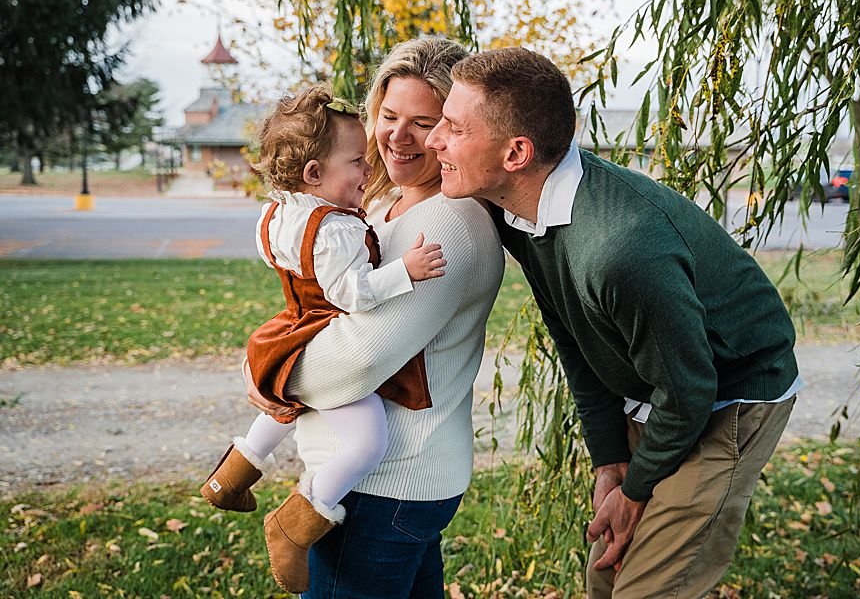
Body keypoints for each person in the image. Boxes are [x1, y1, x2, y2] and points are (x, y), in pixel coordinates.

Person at [424, 47, 803, 598]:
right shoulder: (519, 211)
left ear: (516, 153)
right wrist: (611, 461)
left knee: (647, 588)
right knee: (606, 575)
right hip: (658, 386)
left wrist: (639, 488)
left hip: (732, 396)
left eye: (453, 128)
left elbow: (690, 389)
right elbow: (576, 339)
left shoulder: (617, 249)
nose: (435, 140)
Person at [245, 37, 504, 598]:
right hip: (384, 483)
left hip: (385, 489)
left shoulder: (449, 225)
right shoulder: (382, 206)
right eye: (388, 115)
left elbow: (356, 362)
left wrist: (264, 371)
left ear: (454, 129)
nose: (397, 136)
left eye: (424, 121)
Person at [201, 85, 447, 593]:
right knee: (367, 439)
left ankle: (230, 477)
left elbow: (288, 266)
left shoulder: (276, 214)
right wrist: (407, 269)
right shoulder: (336, 229)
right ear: (315, 174)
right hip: (324, 324)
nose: (367, 169)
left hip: (290, 324)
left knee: (281, 399)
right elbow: (354, 292)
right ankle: (298, 521)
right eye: (357, 161)